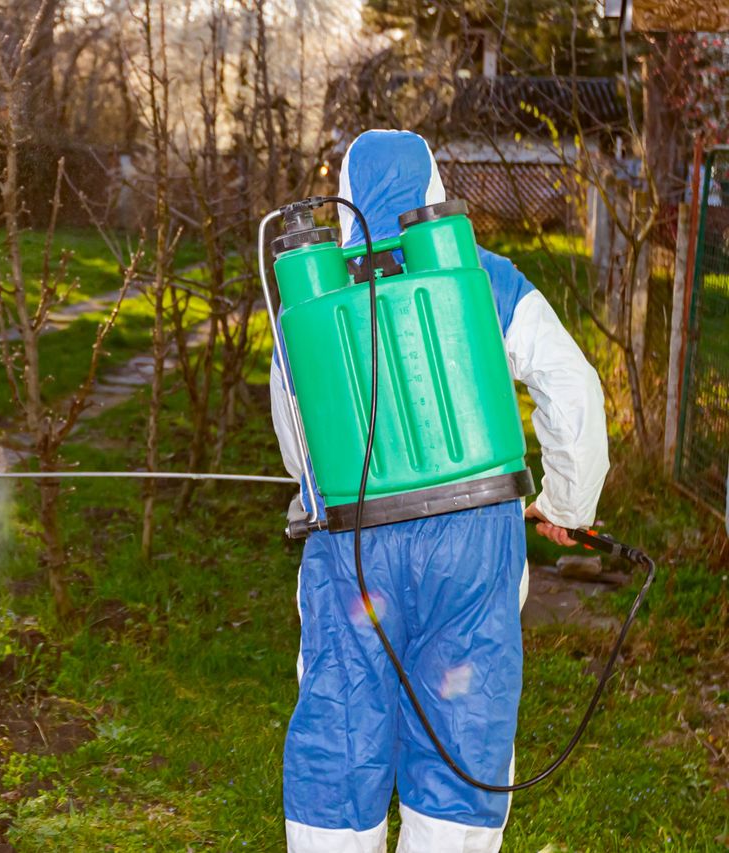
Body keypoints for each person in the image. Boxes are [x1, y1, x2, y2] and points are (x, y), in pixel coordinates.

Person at [270, 129, 609, 853]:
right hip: (473, 543)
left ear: (345, 202)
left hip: (353, 551)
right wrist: (567, 504)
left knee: (343, 722)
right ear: (434, 189)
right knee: (464, 714)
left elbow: (298, 440)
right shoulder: (480, 275)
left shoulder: (310, 291)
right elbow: (572, 386)